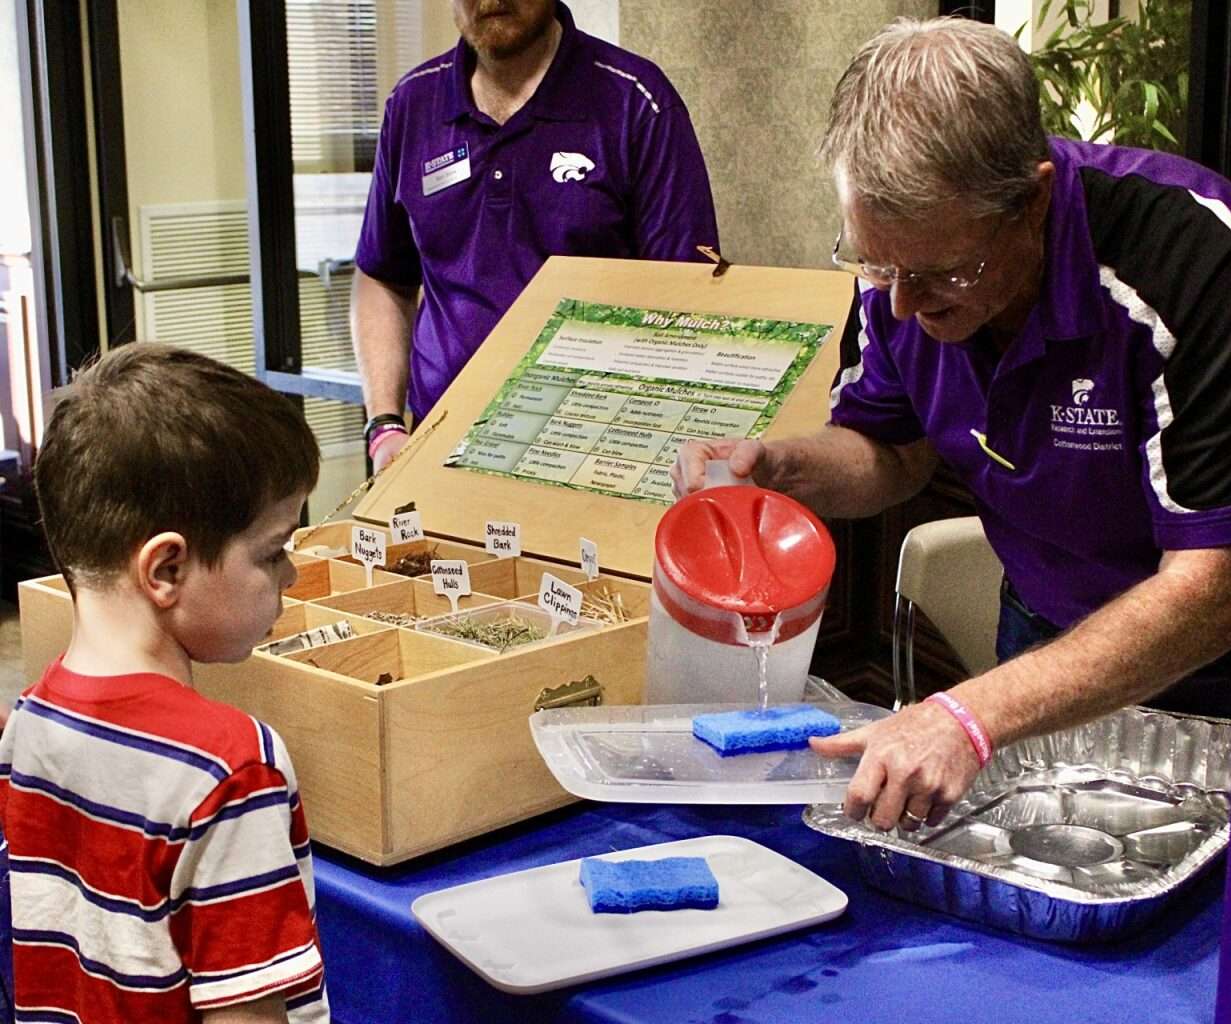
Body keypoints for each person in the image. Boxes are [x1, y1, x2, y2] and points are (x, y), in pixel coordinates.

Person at [674, 17, 1231, 834]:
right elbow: (890, 450)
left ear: (1036, 199)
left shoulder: (1194, 263)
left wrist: (970, 715)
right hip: (1044, 625)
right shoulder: (901, 277)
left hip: (1223, 672)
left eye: (945, 273)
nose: (905, 304)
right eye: (880, 267)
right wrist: (783, 466)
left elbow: (1216, 585)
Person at [0, 344, 329, 1022]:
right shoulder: (232, 771)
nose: (290, 578)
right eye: (273, 552)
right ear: (167, 569)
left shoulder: (28, 723)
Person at [354, 0, 720, 469]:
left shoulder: (635, 101)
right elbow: (383, 276)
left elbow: (689, 303)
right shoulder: (412, 105)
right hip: (439, 449)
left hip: (588, 452)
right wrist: (385, 426)